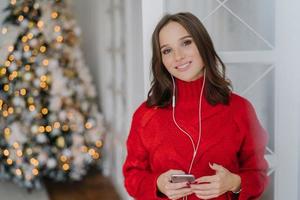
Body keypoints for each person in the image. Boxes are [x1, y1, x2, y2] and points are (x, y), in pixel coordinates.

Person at [123, 12, 269, 200]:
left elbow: (258, 173)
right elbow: (132, 176)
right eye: (167, 50)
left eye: (186, 43)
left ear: (202, 43)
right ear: (161, 60)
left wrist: (233, 182)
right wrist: (158, 184)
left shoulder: (240, 109)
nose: (178, 56)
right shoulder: (146, 115)